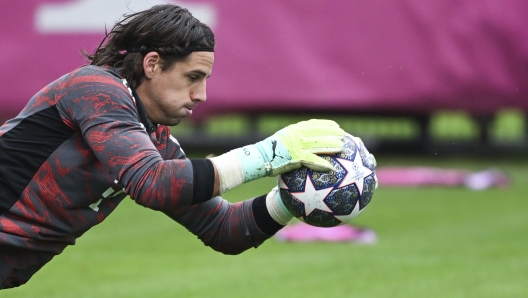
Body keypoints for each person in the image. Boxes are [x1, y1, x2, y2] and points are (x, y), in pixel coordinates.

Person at [0, 4, 346, 289]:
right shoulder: (95, 88)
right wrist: (270, 154)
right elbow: (153, 183)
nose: (202, 95)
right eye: (192, 77)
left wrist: (292, 198)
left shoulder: (154, 139)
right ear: (152, 64)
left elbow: (224, 228)